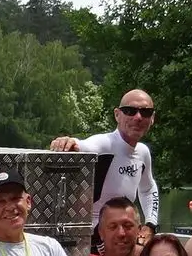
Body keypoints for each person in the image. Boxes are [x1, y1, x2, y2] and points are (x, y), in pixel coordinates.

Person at [50, 89, 161, 229]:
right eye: (130, 111)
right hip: (90, 235)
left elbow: (148, 189)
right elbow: (85, 145)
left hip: (121, 233)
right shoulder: (104, 144)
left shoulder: (143, 152)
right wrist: (69, 141)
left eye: (146, 112)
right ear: (117, 115)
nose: (138, 117)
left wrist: (151, 224)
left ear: (152, 118)